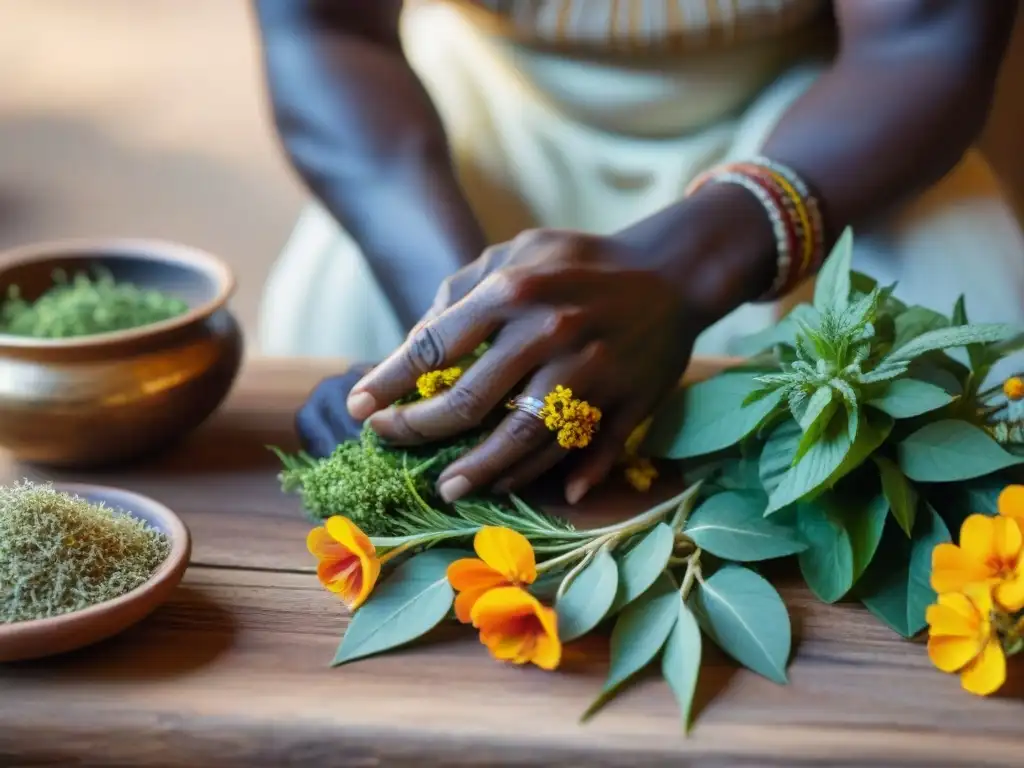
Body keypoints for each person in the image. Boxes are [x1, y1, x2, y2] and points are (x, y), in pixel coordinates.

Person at [253, 0, 1024, 505]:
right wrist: (467, 333)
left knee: (972, 422)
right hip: (452, 137)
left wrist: (690, 269)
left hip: (835, 133)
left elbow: (928, 35)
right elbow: (323, 29)